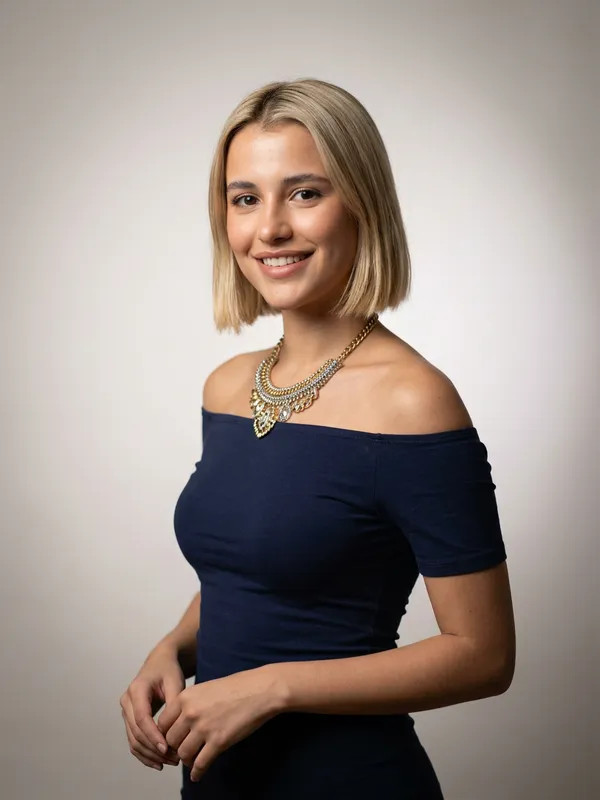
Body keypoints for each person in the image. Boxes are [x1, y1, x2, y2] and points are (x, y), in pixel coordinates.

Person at [119, 78, 515, 799]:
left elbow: (484, 656)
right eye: (245, 198)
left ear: (362, 203)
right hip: (215, 782)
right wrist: (173, 648)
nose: (269, 228)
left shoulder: (413, 401)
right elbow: (255, 575)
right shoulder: (228, 388)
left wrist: (271, 689)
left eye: (304, 193)